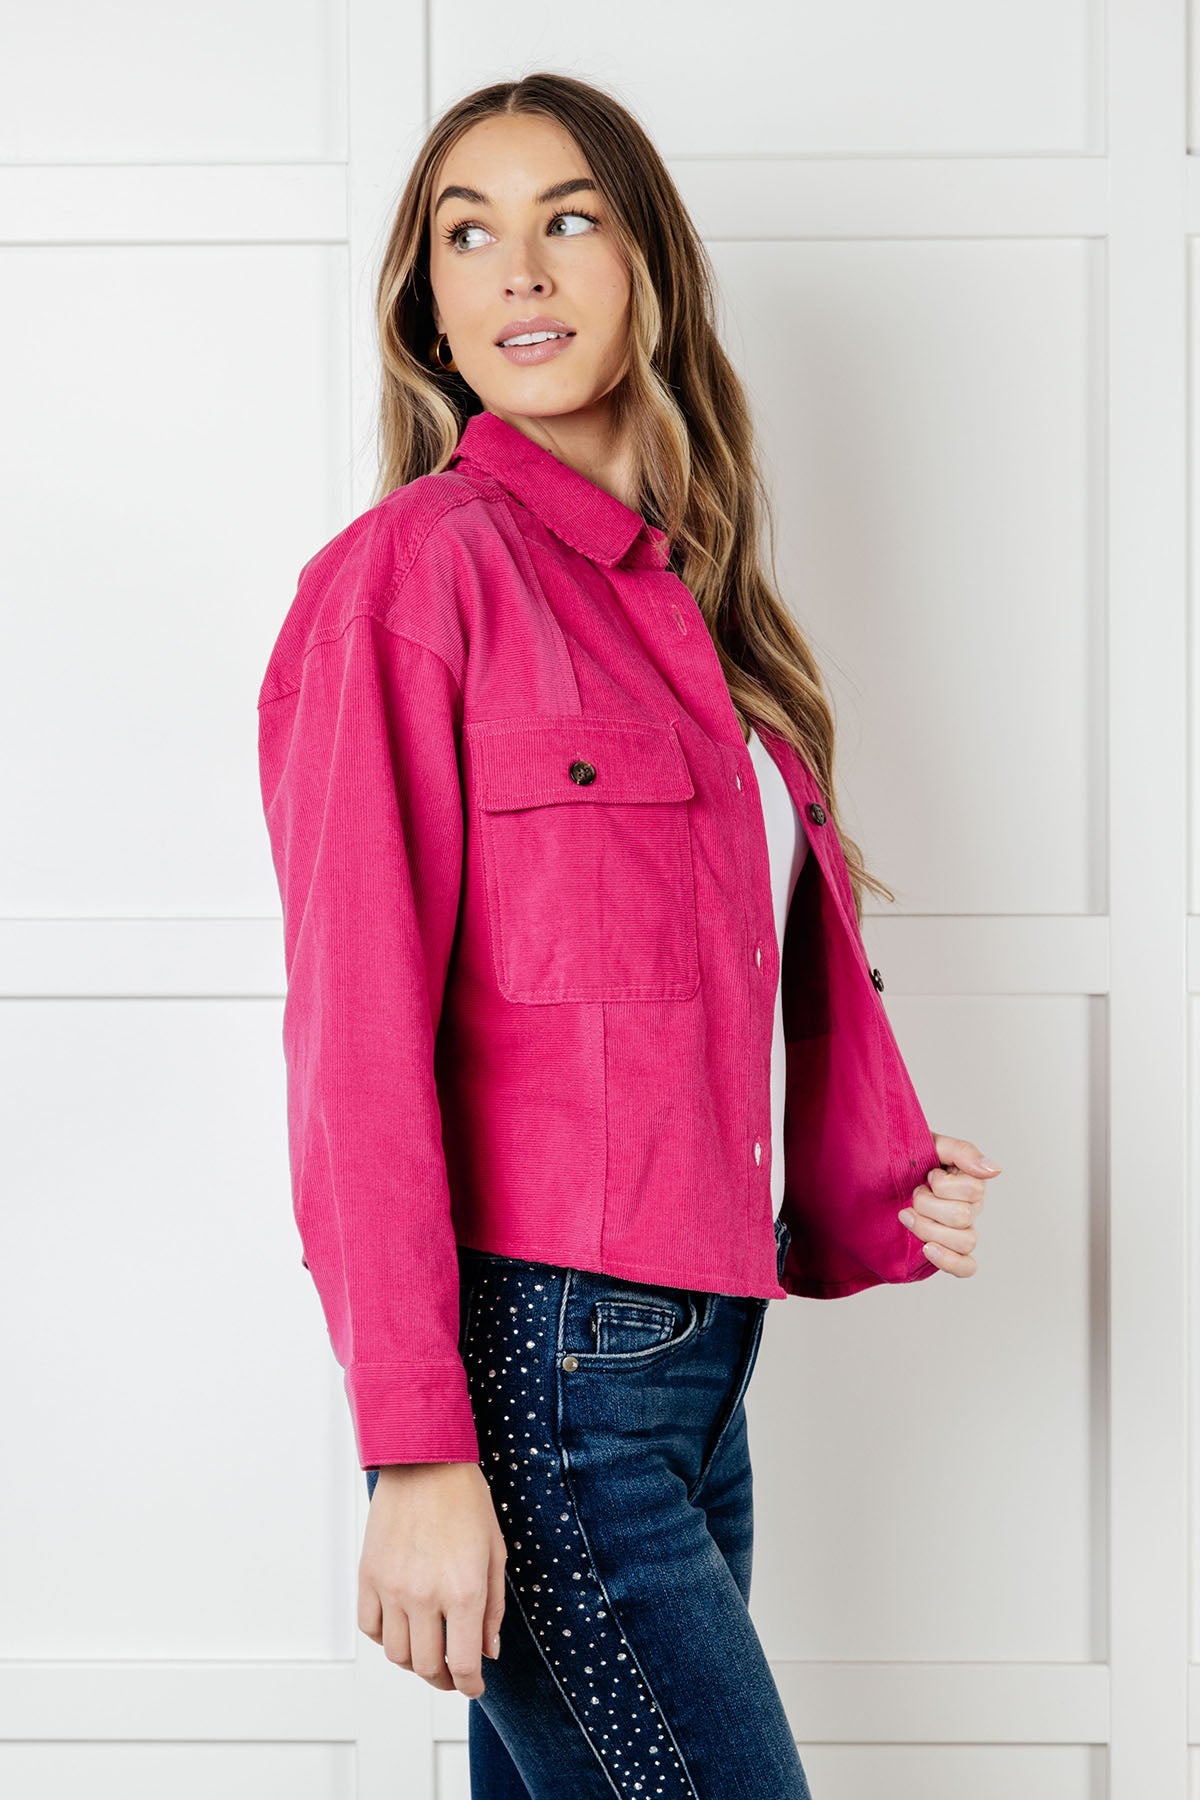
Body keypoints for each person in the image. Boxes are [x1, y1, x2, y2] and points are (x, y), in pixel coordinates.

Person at [256, 69, 1001, 1800]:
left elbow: (680, 1000)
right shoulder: (409, 580)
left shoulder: (694, 610)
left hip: (689, 1373)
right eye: (469, 234)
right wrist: (420, 1456)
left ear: (646, 264)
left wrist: (872, 1166)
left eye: (568, 217)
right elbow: (354, 1053)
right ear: (427, 306)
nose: (519, 269)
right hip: (545, 1388)